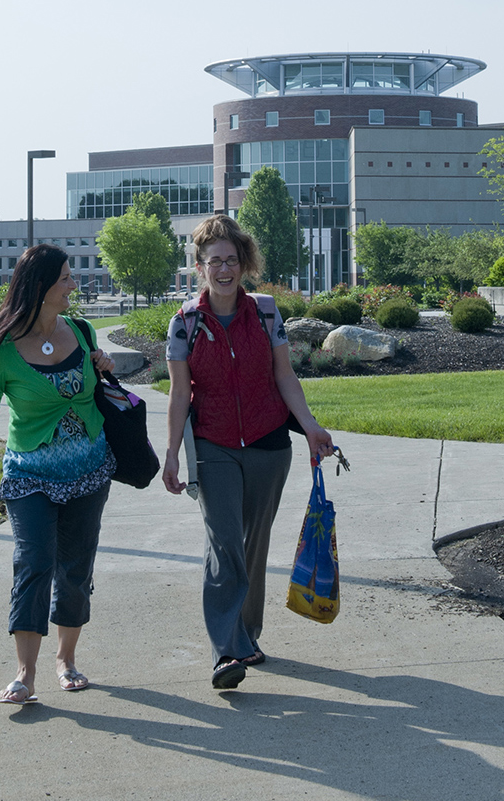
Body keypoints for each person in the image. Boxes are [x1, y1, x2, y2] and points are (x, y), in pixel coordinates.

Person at [162, 213, 334, 690]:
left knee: (253, 546)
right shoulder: (184, 323)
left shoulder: (265, 312)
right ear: (199, 266)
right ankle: (226, 652)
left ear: (244, 264)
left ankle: (246, 635)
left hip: (268, 444)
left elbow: (284, 376)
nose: (224, 269)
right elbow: (179, 395)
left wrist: (311, 426)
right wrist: (173, 452)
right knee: (224, 543)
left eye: (231, 260)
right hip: (213, 444)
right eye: (214, 260)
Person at [0, 244, 116, 705]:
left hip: (88, 471)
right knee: (34, 562)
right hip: (29, 476)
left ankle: (66, 660)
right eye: (64, 278)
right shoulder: (1, 349)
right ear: (40, 286)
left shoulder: (81, 333)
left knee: (75, 567)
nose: (72, 285)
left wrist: (101, 364)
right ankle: (25, 673)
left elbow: (94, 389)